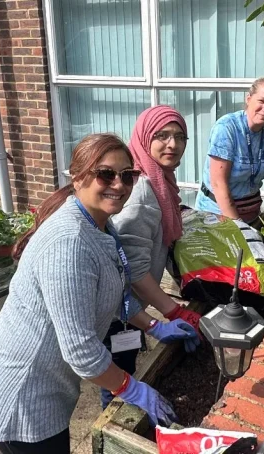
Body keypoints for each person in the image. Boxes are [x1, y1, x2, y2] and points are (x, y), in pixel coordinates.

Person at [0, 134, 199, 454]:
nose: (118, 185)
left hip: (45, 384)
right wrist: (133, 389)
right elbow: (81, 352)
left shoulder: (100, 224)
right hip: (22, 390)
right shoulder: (70, 243)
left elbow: (116, 292)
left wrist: (155, 326)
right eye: (105, 174)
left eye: (127, 175)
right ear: (77, 177)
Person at [101, 106, 203, 408]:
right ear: (145, 137)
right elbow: (133, 269)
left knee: (125, 358)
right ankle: (112, 420)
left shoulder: (159, 178)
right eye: (162, 135)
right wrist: (173, 312)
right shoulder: (142, 189)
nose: (172, 144)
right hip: (119, 312)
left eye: (179, 137)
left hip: (129, 309)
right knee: (119, 373)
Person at [195, 77, 264, 223]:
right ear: (248, 99)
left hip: (251, 213)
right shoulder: (226, 128)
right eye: (261, 101)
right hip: (216, 214)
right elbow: (219, 184)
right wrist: (241, 229)